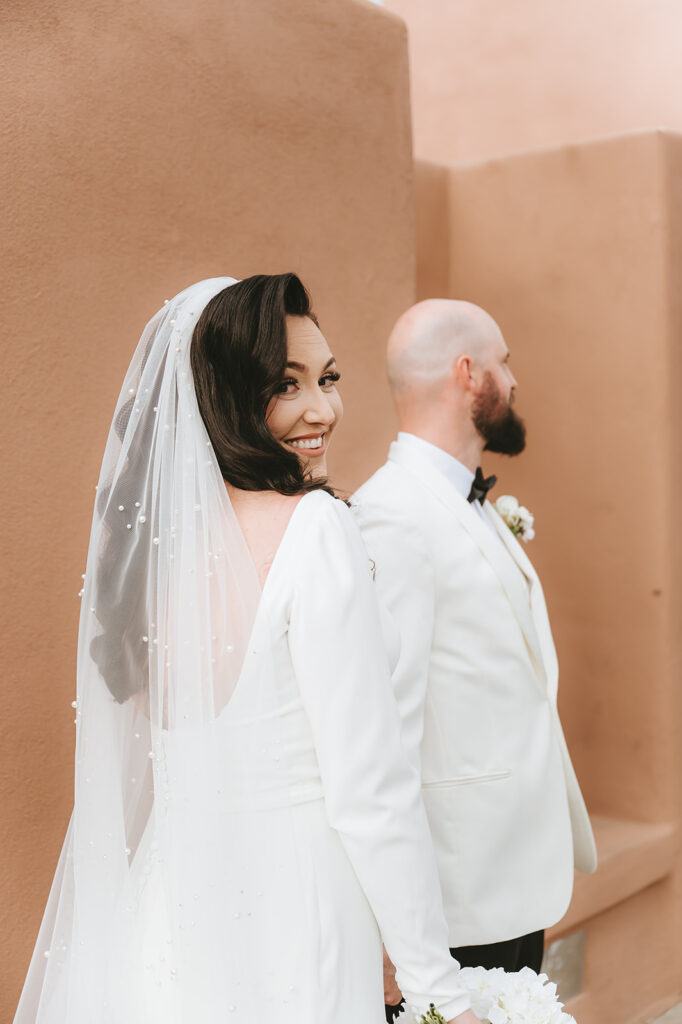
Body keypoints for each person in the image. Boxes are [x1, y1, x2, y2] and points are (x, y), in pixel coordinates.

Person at [13, 275, 480, 1024]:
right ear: (227, 395)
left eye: (327, 379)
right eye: (285, 385)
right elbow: (370, 792)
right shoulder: (313, 528)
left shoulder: (155, 556)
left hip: (171, 915)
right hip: (299, 915)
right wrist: (438, 988)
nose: (321, 409)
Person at [353, 299, 597, 1020]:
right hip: (453, 902)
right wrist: (394, 929)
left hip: (512, 880)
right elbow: (383, 735)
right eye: (504, 363)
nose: (513, 381)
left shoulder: (470, 501)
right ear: (468, 373)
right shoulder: (392, 515)